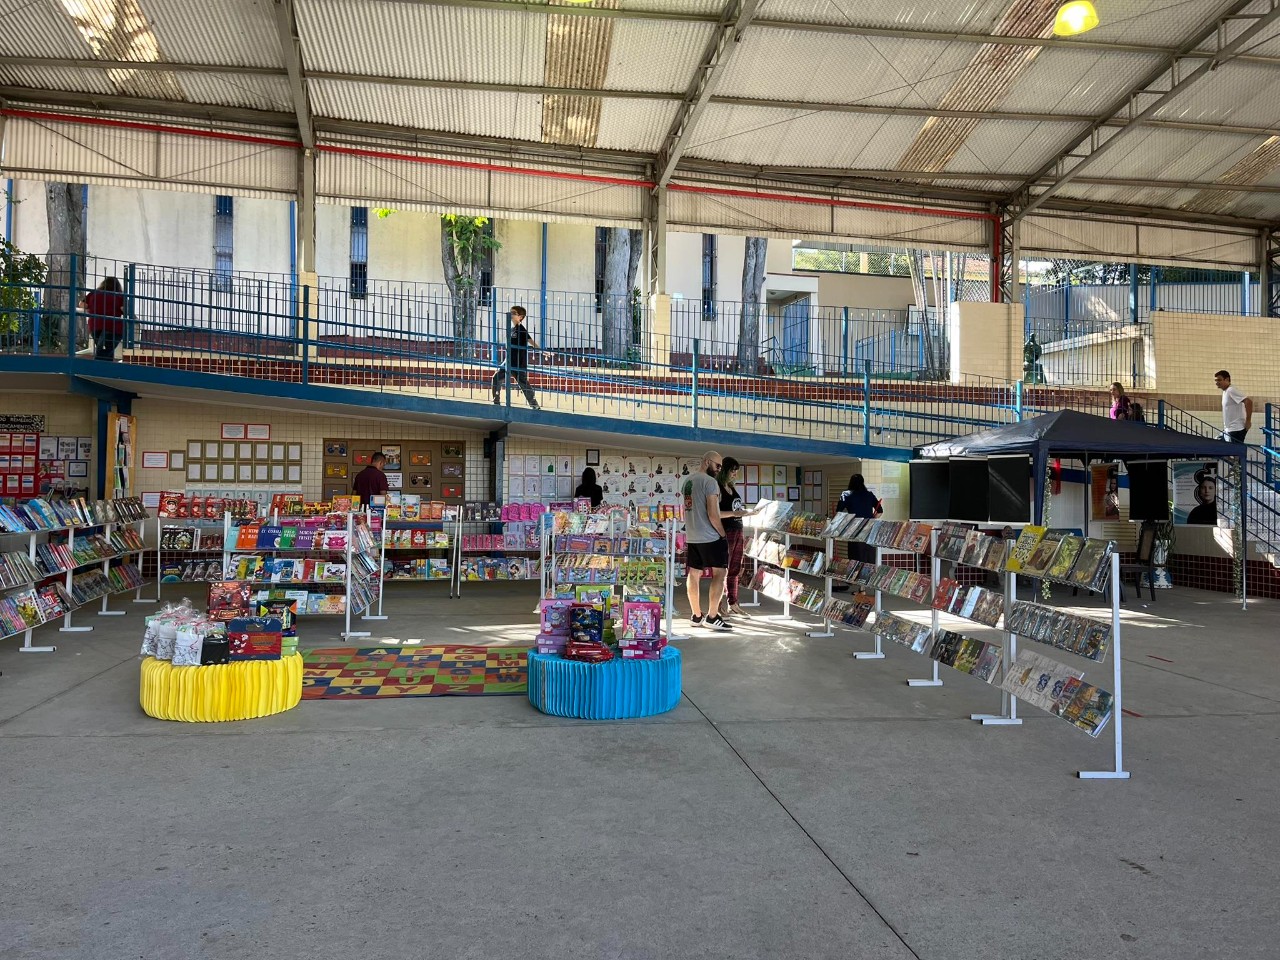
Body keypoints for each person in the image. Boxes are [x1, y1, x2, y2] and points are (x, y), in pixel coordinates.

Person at [682, 450, 732, 630]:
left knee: (694, 574)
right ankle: (712, 616)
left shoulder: (688, 481)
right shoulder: (710, 482)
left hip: (692, 536)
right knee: (720, 573)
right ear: (707, 461)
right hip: (710, 536)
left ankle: (696, 616)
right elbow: (713, 514)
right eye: (717, 465)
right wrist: (722, 534)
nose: (719, 470)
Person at [716, 457, 756, 618]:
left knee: (734, 569)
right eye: (732, 471)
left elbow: (736, 510)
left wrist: (747, 513)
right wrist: (735, 513)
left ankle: (733, 603)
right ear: (724, 470)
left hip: (738, 530)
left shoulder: (731, 487)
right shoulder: (717, 487)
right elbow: (715, 513)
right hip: (725, 532)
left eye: (736, 472)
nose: (734, 474)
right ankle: (717, 605)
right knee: (722, 570)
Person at [492, 305, 539, 410]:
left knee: (524, 385)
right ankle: (496, 401)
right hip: (508, 361)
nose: (511, 315)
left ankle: (534, 405)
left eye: (514, 313)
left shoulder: (521, 330)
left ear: (520, 317)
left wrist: (542, 351)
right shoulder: (512, 329)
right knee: (496, 377)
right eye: (511, 312)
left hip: (518, 362)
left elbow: (531, 341)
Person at [836, 473, 883, 575]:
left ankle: (855, 577)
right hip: (869, 527)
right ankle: (867, 579)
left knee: (856, 554)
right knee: (868, 554)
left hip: (854, 528)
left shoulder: (846, 494)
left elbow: (839, 511)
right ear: (862, 482)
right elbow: (880, 511)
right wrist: (871, 519)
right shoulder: (869, 494)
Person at [81, 277, 125, 361]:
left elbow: (82, 304)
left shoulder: (94, 293)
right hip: (112, 327)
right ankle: (97, 368)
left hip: (95, 325)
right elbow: (125, 309)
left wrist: (93, 307)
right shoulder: (119, 296)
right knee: (104, 353)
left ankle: (103, 368)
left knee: (104, 352)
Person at [1214, 370, 1252, 442]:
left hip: (1235, 429)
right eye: (1216, 380)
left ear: (1227, 379)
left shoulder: (1231, 390)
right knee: (1217, 443)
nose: (1217, 382)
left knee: (1233, 448)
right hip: (1228, 429)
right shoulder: (1225, 391)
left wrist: (1248, 421)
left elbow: (1248, 402)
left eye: (1219, 380)